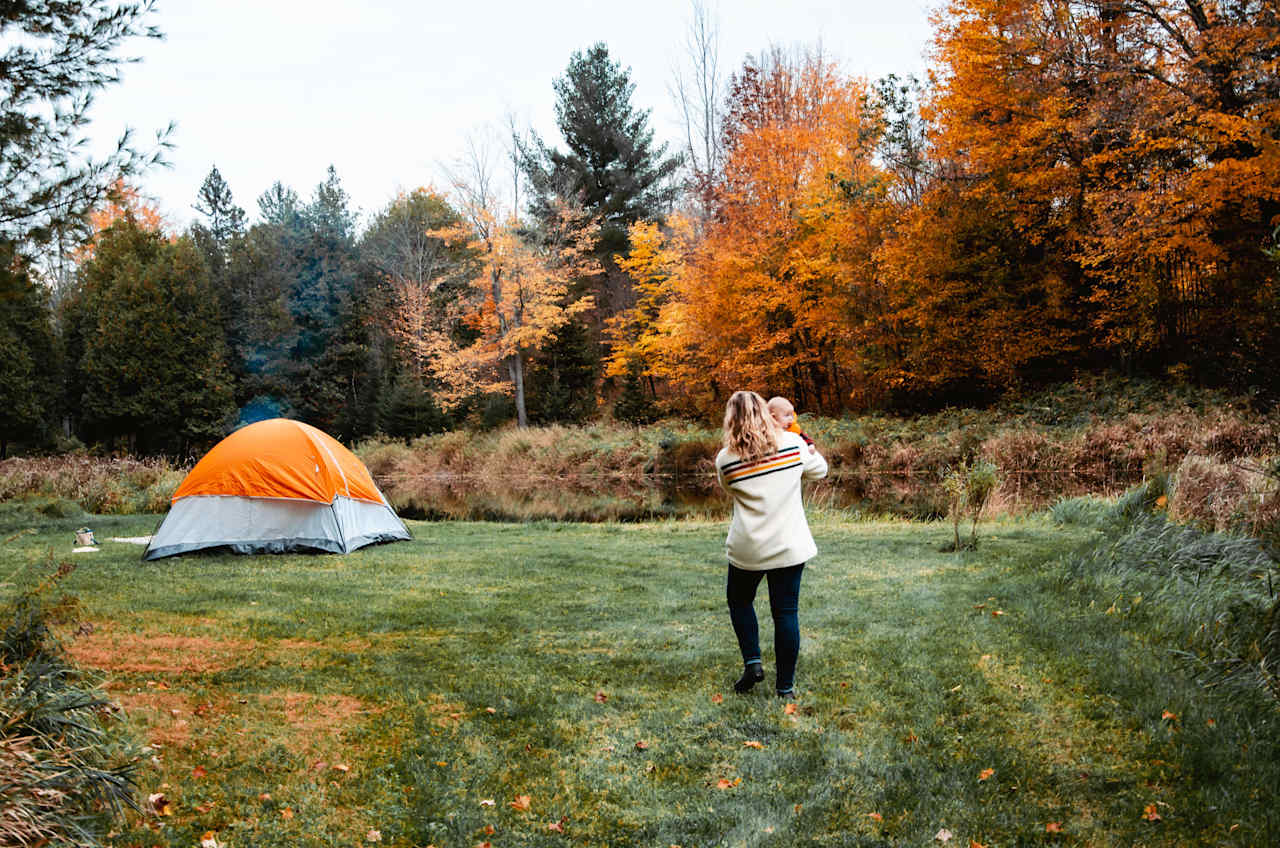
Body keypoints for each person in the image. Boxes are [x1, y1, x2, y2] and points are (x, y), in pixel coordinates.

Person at [715, 390, 828, 698]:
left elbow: (730, 490)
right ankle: (785, 689)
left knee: (739, 602)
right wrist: (804, 440)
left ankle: (753, 662)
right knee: (786, 612)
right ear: (766, 414)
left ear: (731, 420)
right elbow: (821, 470)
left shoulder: (725, 460)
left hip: (747, 548)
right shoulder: (793, 446)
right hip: (789, 545)